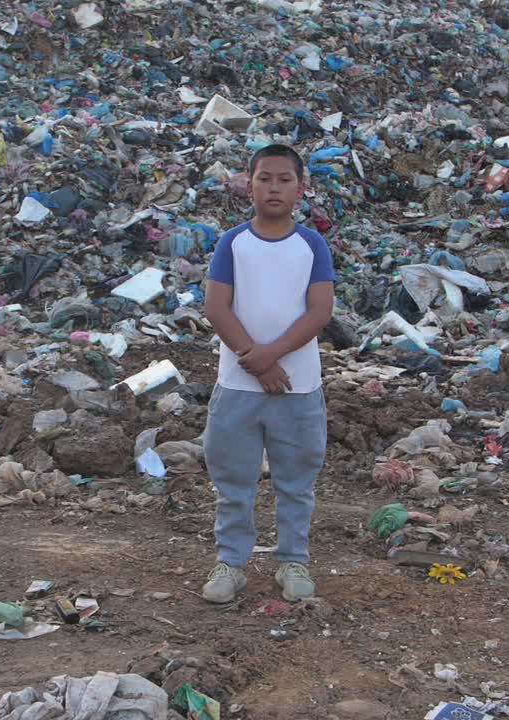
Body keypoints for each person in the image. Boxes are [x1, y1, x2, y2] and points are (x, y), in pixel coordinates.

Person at [200, 144, 335, 604]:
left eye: (284, 179)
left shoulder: (311, 245)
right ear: (249, 184)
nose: (273, 188)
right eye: (264, 178)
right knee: (233, 480)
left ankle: (293, 561)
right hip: (237, 385)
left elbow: (320, 311)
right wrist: (252, 358)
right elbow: (217, 306)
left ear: (300, 188)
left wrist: (269, 357)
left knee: (296, 480)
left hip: (298, 387)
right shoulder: (232, 243)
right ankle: (231, 564)